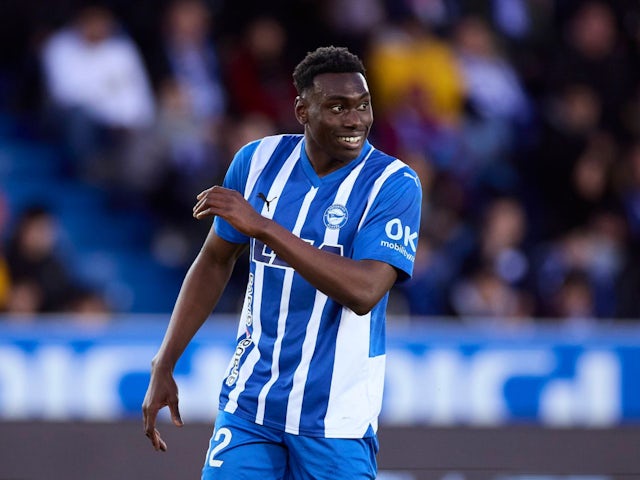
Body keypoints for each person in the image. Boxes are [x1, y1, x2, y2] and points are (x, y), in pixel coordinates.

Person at [142, 46, 422, 479]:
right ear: (302, 111)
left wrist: (265, 228)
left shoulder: (393, 184)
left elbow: (366, 290)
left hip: (335, 422)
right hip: (250, 407)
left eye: (363, 106)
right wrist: (165, 360)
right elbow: (214, 261)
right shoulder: (256, 163)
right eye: (337, 107)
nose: (355, 120)